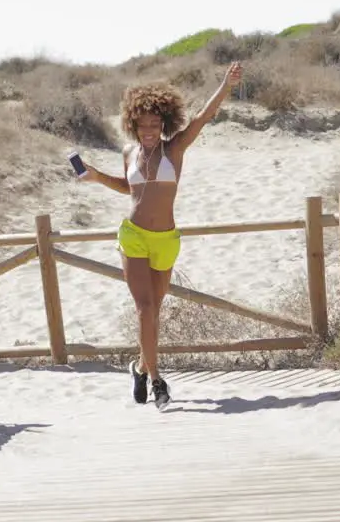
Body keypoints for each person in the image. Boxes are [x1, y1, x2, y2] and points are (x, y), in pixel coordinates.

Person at [77, 61, 243, 407]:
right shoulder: (129, 153)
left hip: (166, 240)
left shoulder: (175, 149)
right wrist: (96, 177)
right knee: (144, 308)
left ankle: (138, 367)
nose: (149, 130)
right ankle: (157, 381)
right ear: (132, 124)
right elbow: (130, 188)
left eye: (155, 124)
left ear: (164, 123)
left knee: (154, 313)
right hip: (133, 235)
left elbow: (204, 116)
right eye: (142, 125)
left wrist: (226, 85)